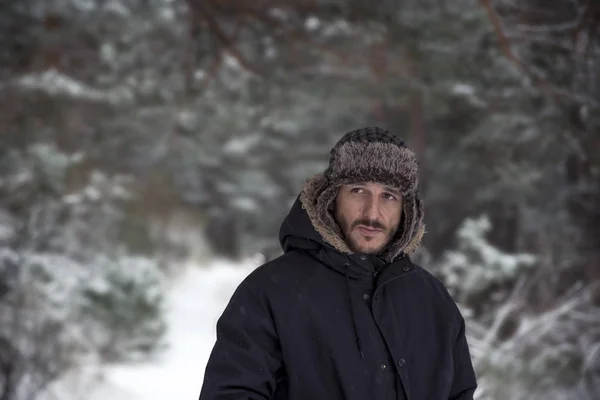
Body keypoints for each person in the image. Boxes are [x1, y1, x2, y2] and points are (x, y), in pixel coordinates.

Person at [198, 127, 478, 400]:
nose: (372, 213)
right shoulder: (270, 292)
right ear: (331, 199)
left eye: (388, 196)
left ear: (407, 210)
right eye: (358, 191)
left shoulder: (433, 301)